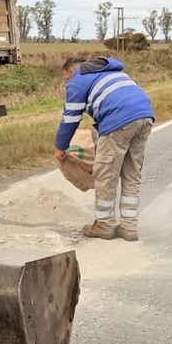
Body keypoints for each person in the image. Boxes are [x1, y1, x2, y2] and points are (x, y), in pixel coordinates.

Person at [55, 57, 154, 242]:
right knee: (131, 174)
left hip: (119, 121)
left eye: (66, 78)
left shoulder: (78, 79)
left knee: (106, 174)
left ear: (70, 72)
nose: (67, 83)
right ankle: (129, 226)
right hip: (145, 117)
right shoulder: (115, 73)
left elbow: (70, 117)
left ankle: (104, 225)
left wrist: (61, 146)